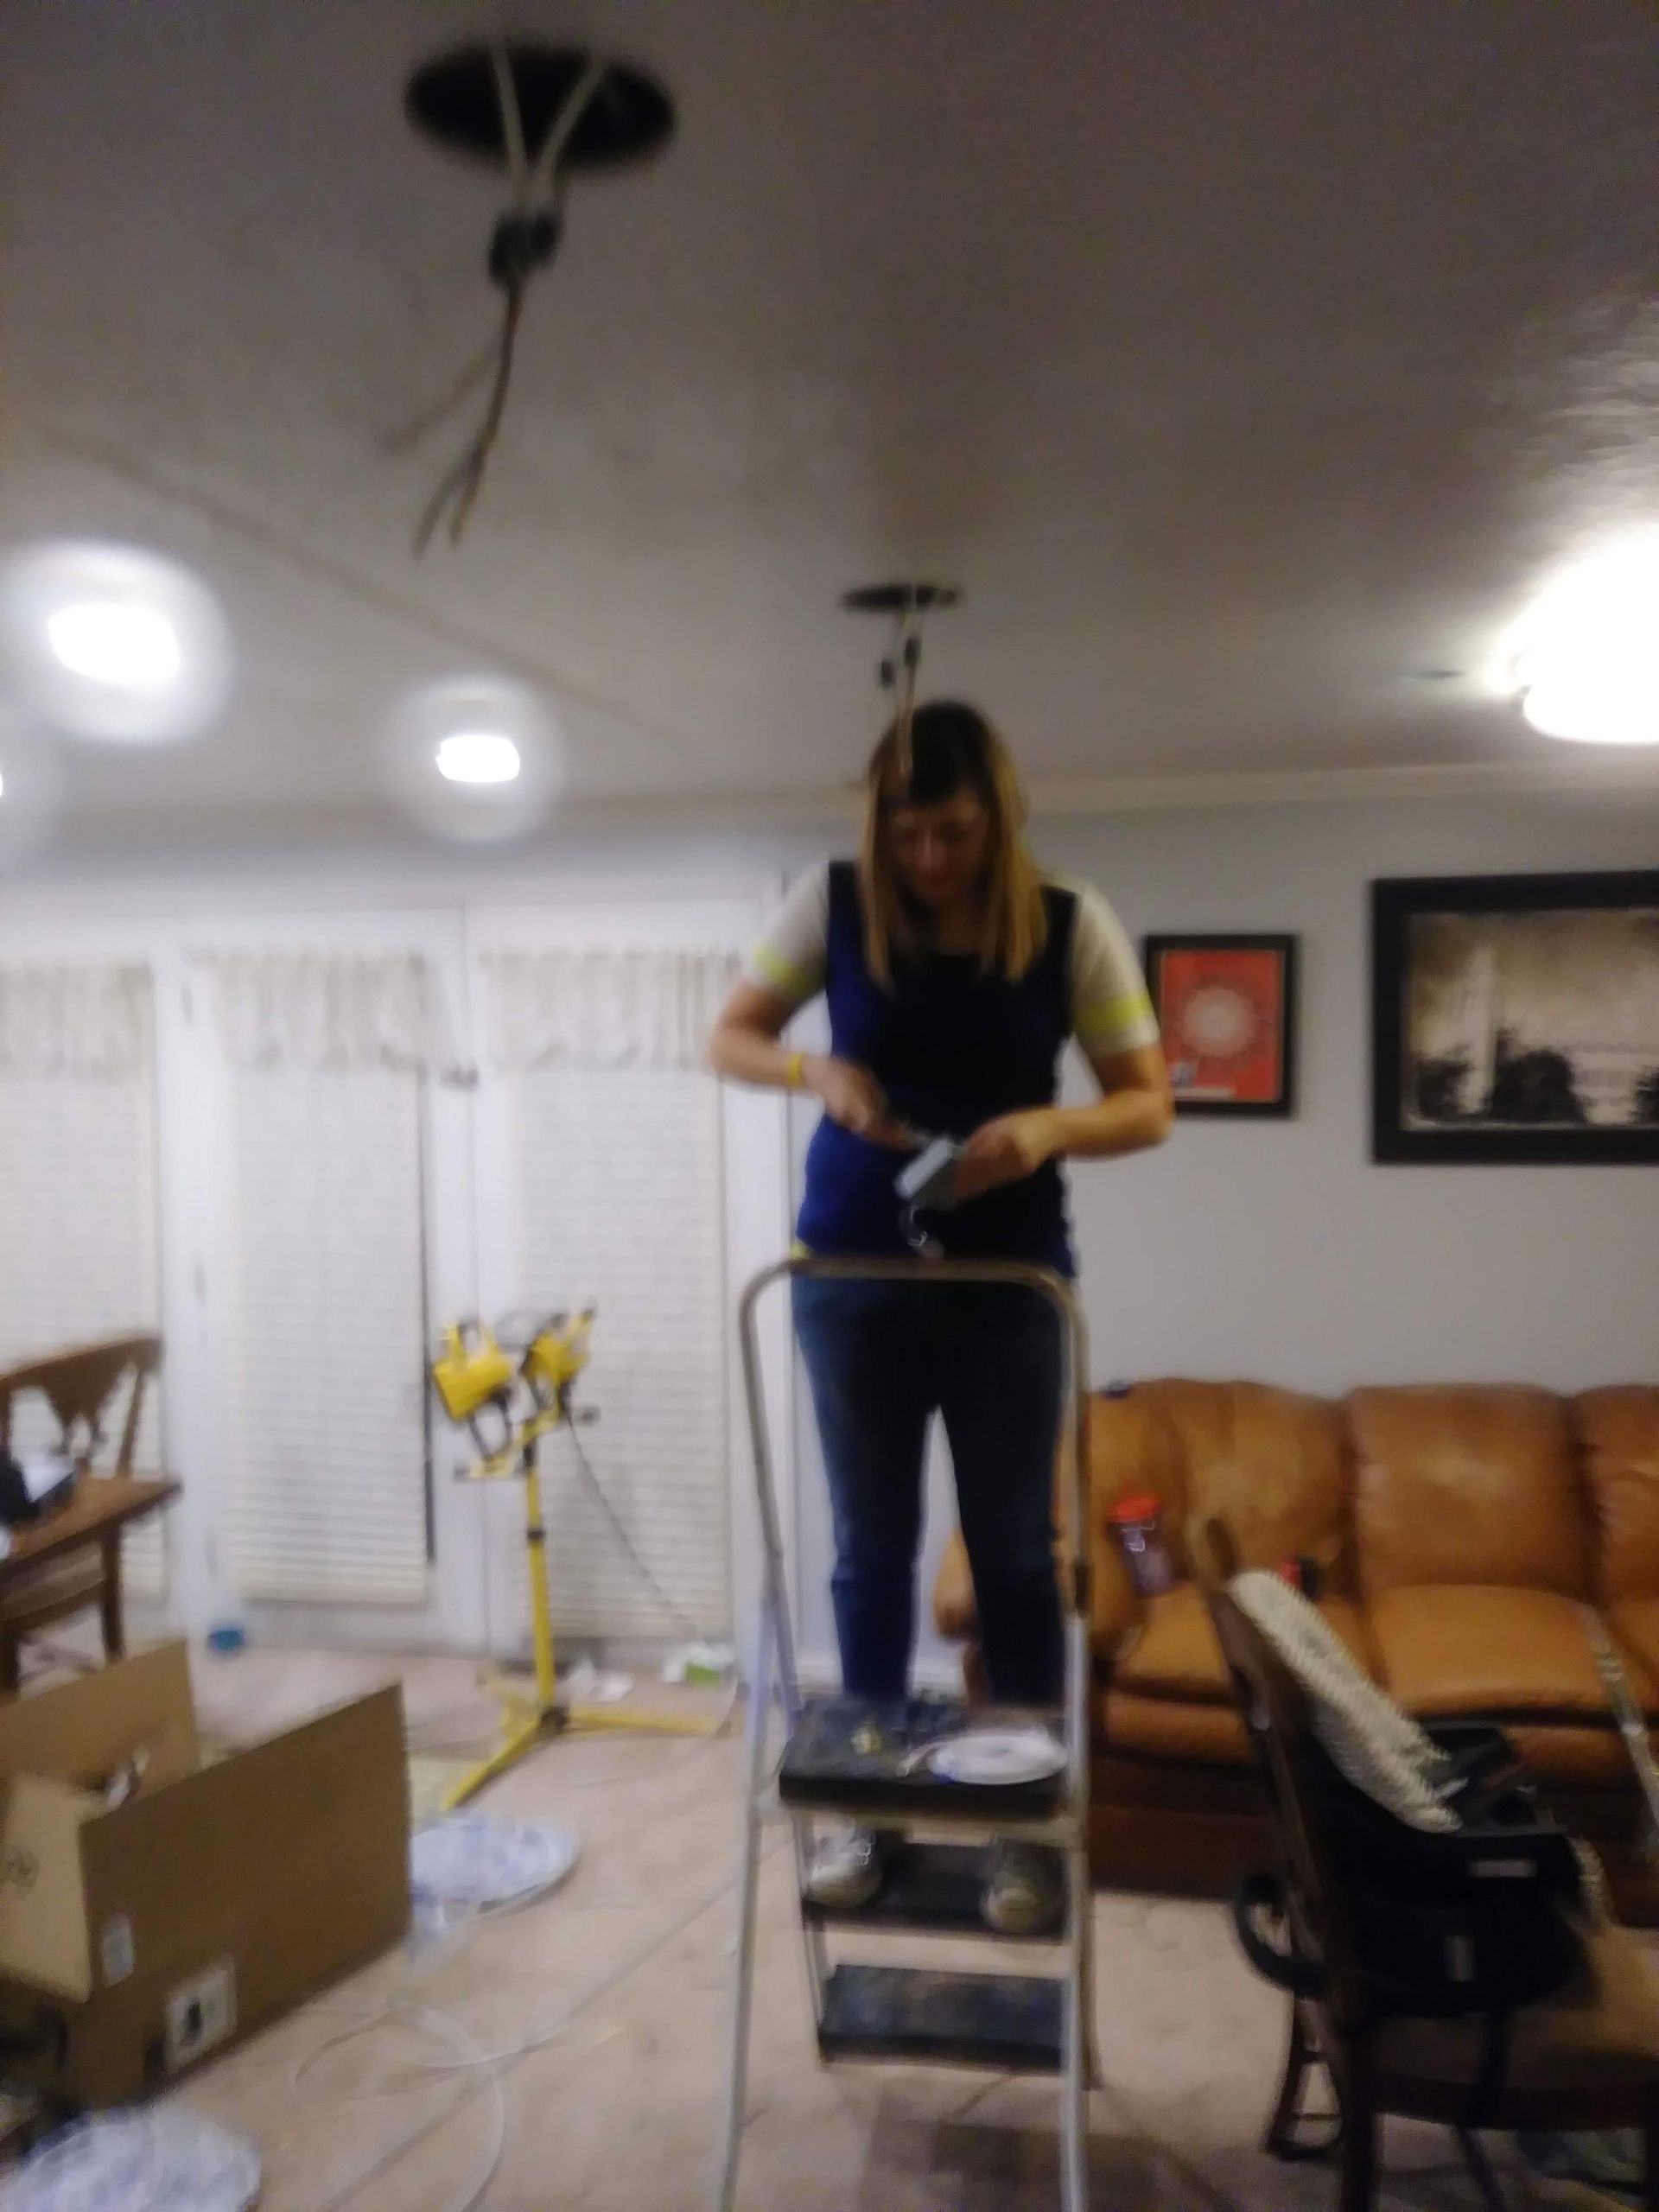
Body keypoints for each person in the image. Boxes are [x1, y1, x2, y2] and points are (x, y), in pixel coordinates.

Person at [709, 700, 1173, 1933]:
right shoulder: (833, 903)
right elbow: (732, 1037)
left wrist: (1052, 1128)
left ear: (997, 817)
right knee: (869, 1554)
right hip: (852, 1279)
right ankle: (869, 1808)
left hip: (1008, 1286)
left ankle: (1022, 1832)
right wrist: (819, 1070)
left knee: (1019, 1561)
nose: (929, 859)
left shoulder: (1072, 922)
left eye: (954, 833)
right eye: (908, 834)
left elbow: (1148, 1103)